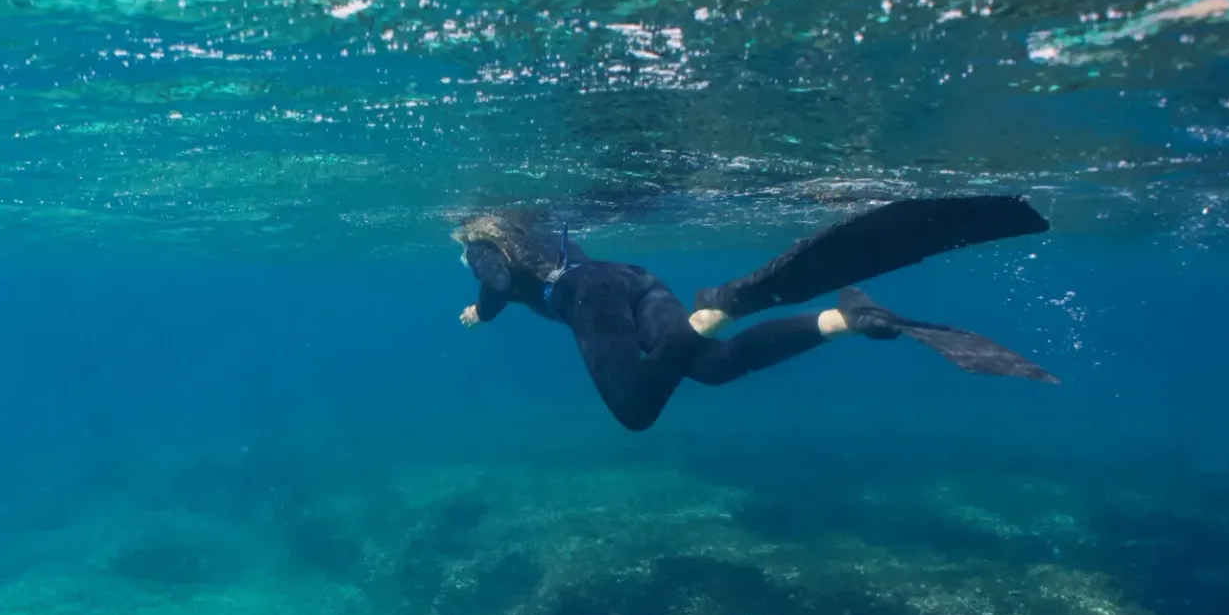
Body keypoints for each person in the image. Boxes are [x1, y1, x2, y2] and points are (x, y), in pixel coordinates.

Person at [452, 195, 1058, 432]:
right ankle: (844, 319)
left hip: (590, 297)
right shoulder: (530, 224)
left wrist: (485, 304)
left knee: (635, 409)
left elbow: (501, 279)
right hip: (631, 278)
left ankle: (723, 310)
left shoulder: (482, 244)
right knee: (711, 368)